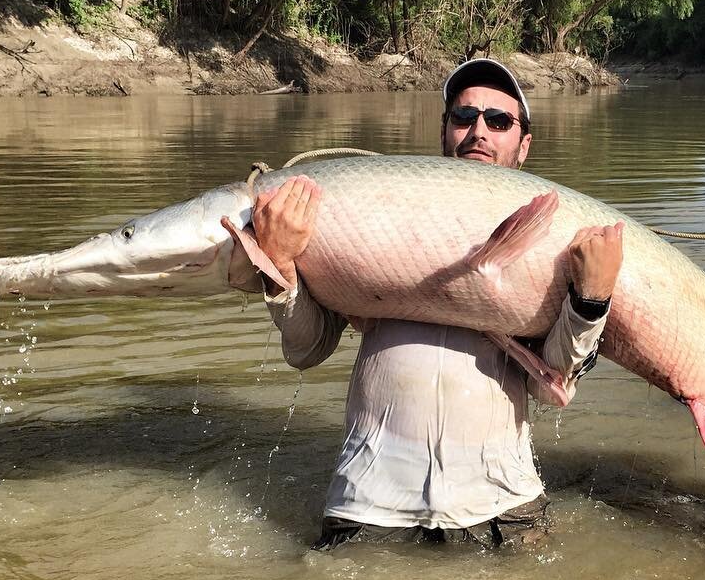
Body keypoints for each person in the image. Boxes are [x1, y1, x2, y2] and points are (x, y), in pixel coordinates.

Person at [252, 59, 624, 548]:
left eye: (498, 121)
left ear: (523, 144)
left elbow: (551, 383)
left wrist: (589, 302)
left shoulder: (553, 248)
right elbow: (306, 350)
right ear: (444, 131)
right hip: (367, 504)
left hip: (501, 508)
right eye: (463, 117)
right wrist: (277, 264)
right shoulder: (379, 217)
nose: (478, 132)